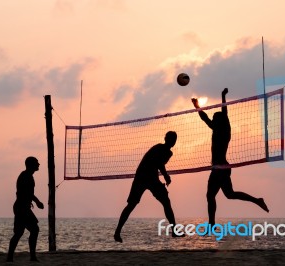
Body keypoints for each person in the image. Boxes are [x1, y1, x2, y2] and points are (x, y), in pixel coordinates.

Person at [191, 88, 269, 225]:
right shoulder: (216, 128)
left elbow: (224, 112)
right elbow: (205, 118)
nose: (212, 119)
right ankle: (257, 200)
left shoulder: (225, 129)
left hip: (220, 167)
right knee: (229, 194)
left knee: (211, 195)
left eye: (215, 118)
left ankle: (211, 223)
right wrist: (196, 106)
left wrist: (222, 96)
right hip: (221, 167)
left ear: (221, 120)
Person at [114, 131, 183, 242]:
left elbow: (158, 165)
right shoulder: (159, 148)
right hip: (142, 177)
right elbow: (158, 163)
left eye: (174, 139)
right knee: (131, 205)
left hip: (151, 178)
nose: (173, 141)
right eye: (171, 139)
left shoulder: (168, 153)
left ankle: (174, 230)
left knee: (166, 202)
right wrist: (166, 176)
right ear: (166, 139)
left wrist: (164, 177)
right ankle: (117, 232)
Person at [7, 156, 44, 262]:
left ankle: (12, 257)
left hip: (23, 207)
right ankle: (30, 257)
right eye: (36, 163)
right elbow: (26, 193)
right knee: (31, 230)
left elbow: (29, 194)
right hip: (21, 208)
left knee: (23, 232)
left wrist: (34, 202)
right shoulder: (25, 176)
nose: (38, 164)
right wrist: (36, 202)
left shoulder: (29, 176)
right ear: (31, 165)